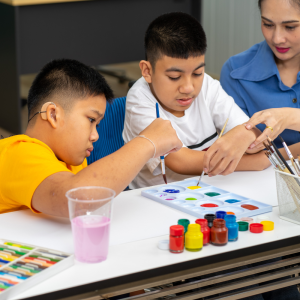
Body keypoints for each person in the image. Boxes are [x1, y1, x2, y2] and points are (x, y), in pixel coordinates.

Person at [0, 59, 182, 217]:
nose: (95, 135)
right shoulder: (18, 152)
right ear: (53, 115)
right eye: (91, 120)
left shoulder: (70, 160)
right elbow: (77, 199)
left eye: (98, 125)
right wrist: (147, 142)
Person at [122, 12, 271, 189]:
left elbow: (251, 133)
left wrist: (246, 135)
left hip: (210, 189)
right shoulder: (139, 99)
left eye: (197, 73)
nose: (188, 87)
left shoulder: (207, 84)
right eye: (174, 76)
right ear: (147, 71)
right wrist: (257, 161)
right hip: (158, 198)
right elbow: (181, 162)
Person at [221, 0, 300, 151]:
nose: (277, 39)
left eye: (290, 27)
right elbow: (244, 149)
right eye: (268, 24)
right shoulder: (235, 72)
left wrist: (289, 117)